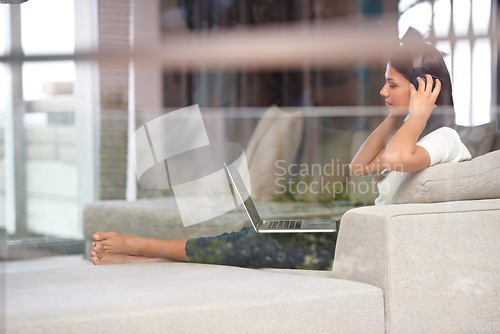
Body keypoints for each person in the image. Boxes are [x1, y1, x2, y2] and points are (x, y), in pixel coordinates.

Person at [91, 37, 471, 268]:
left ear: (424, 87)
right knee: (252, 234)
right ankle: (155, 256)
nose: (382, 92)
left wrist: (417, 114)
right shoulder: (415, 140)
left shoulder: (445, 139)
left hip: (368, 244)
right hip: (356, 233)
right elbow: (359, 167)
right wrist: (396, 117)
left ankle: (143, 248)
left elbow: (391, 161)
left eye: (391, 84)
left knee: (254, 245)